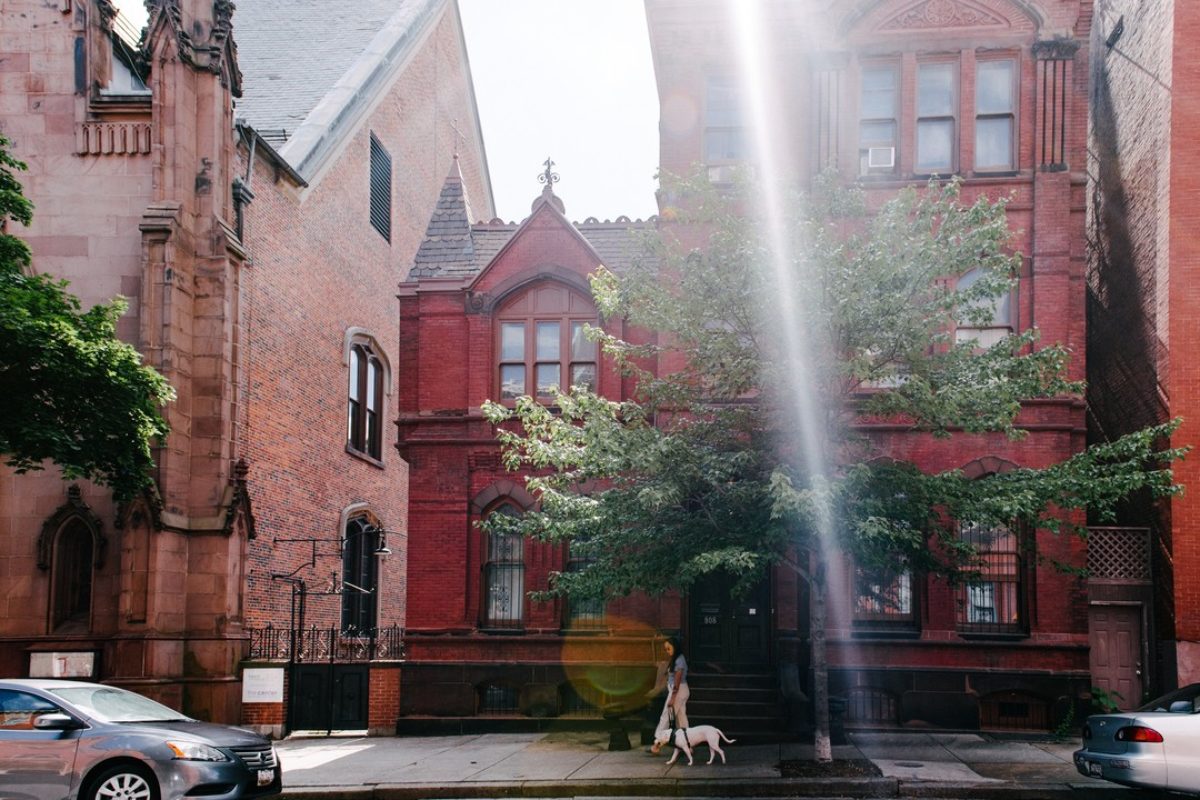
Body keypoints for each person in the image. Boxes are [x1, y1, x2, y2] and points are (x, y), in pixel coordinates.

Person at [649, 636, 688, 753]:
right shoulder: (678, 659)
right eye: (666, 649)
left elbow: (677, 679)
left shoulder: (679, 660)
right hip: (681, 690)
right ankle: (687, 746)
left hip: (678, 691)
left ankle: (656, 744)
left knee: (665, 717)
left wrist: (672, 698)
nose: (667, 651)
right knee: (681, 719)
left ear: (675, 647)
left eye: (669, 649)